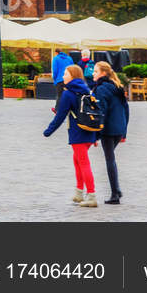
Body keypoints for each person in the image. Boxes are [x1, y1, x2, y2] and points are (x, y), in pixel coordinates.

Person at [42, 64, 98, 208]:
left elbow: (60, 115)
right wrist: (96, 134)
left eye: (66, 74)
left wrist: (48, 131)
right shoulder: (86, 90)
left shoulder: (68, 93)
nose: (63, 76)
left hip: (78, 132)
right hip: (89, 130)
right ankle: (79, 193)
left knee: (83, 163)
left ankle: (91, 195)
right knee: (78, 161)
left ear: (73, 76)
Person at [90, 62, 129, 205]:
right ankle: (116, 190)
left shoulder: (101, 89)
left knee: (109, 160)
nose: (93, 74)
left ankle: (115, 193)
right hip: (119, 129)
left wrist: (95, 134)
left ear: (103, 73)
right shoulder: (116, 86)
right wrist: (124, 132)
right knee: (110, 158)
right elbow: (126, 109)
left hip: (108, 130)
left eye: (95, 71)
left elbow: (101, 112)